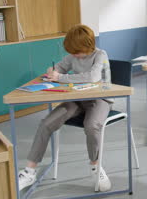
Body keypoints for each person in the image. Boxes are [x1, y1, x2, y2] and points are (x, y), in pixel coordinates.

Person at [17, 25, 113, 192]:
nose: (74, 56)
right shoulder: (73, 56)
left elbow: (93, 77)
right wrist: (52, 71)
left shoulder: (100, 55)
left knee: (92, 125)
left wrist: (60, 77)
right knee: (47, 123)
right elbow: (59, 67)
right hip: (77, 99)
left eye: (77, 52)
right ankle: (29, 171)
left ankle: (95, 167)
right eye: (72, 52)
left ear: (87, 45)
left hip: (100, 99)